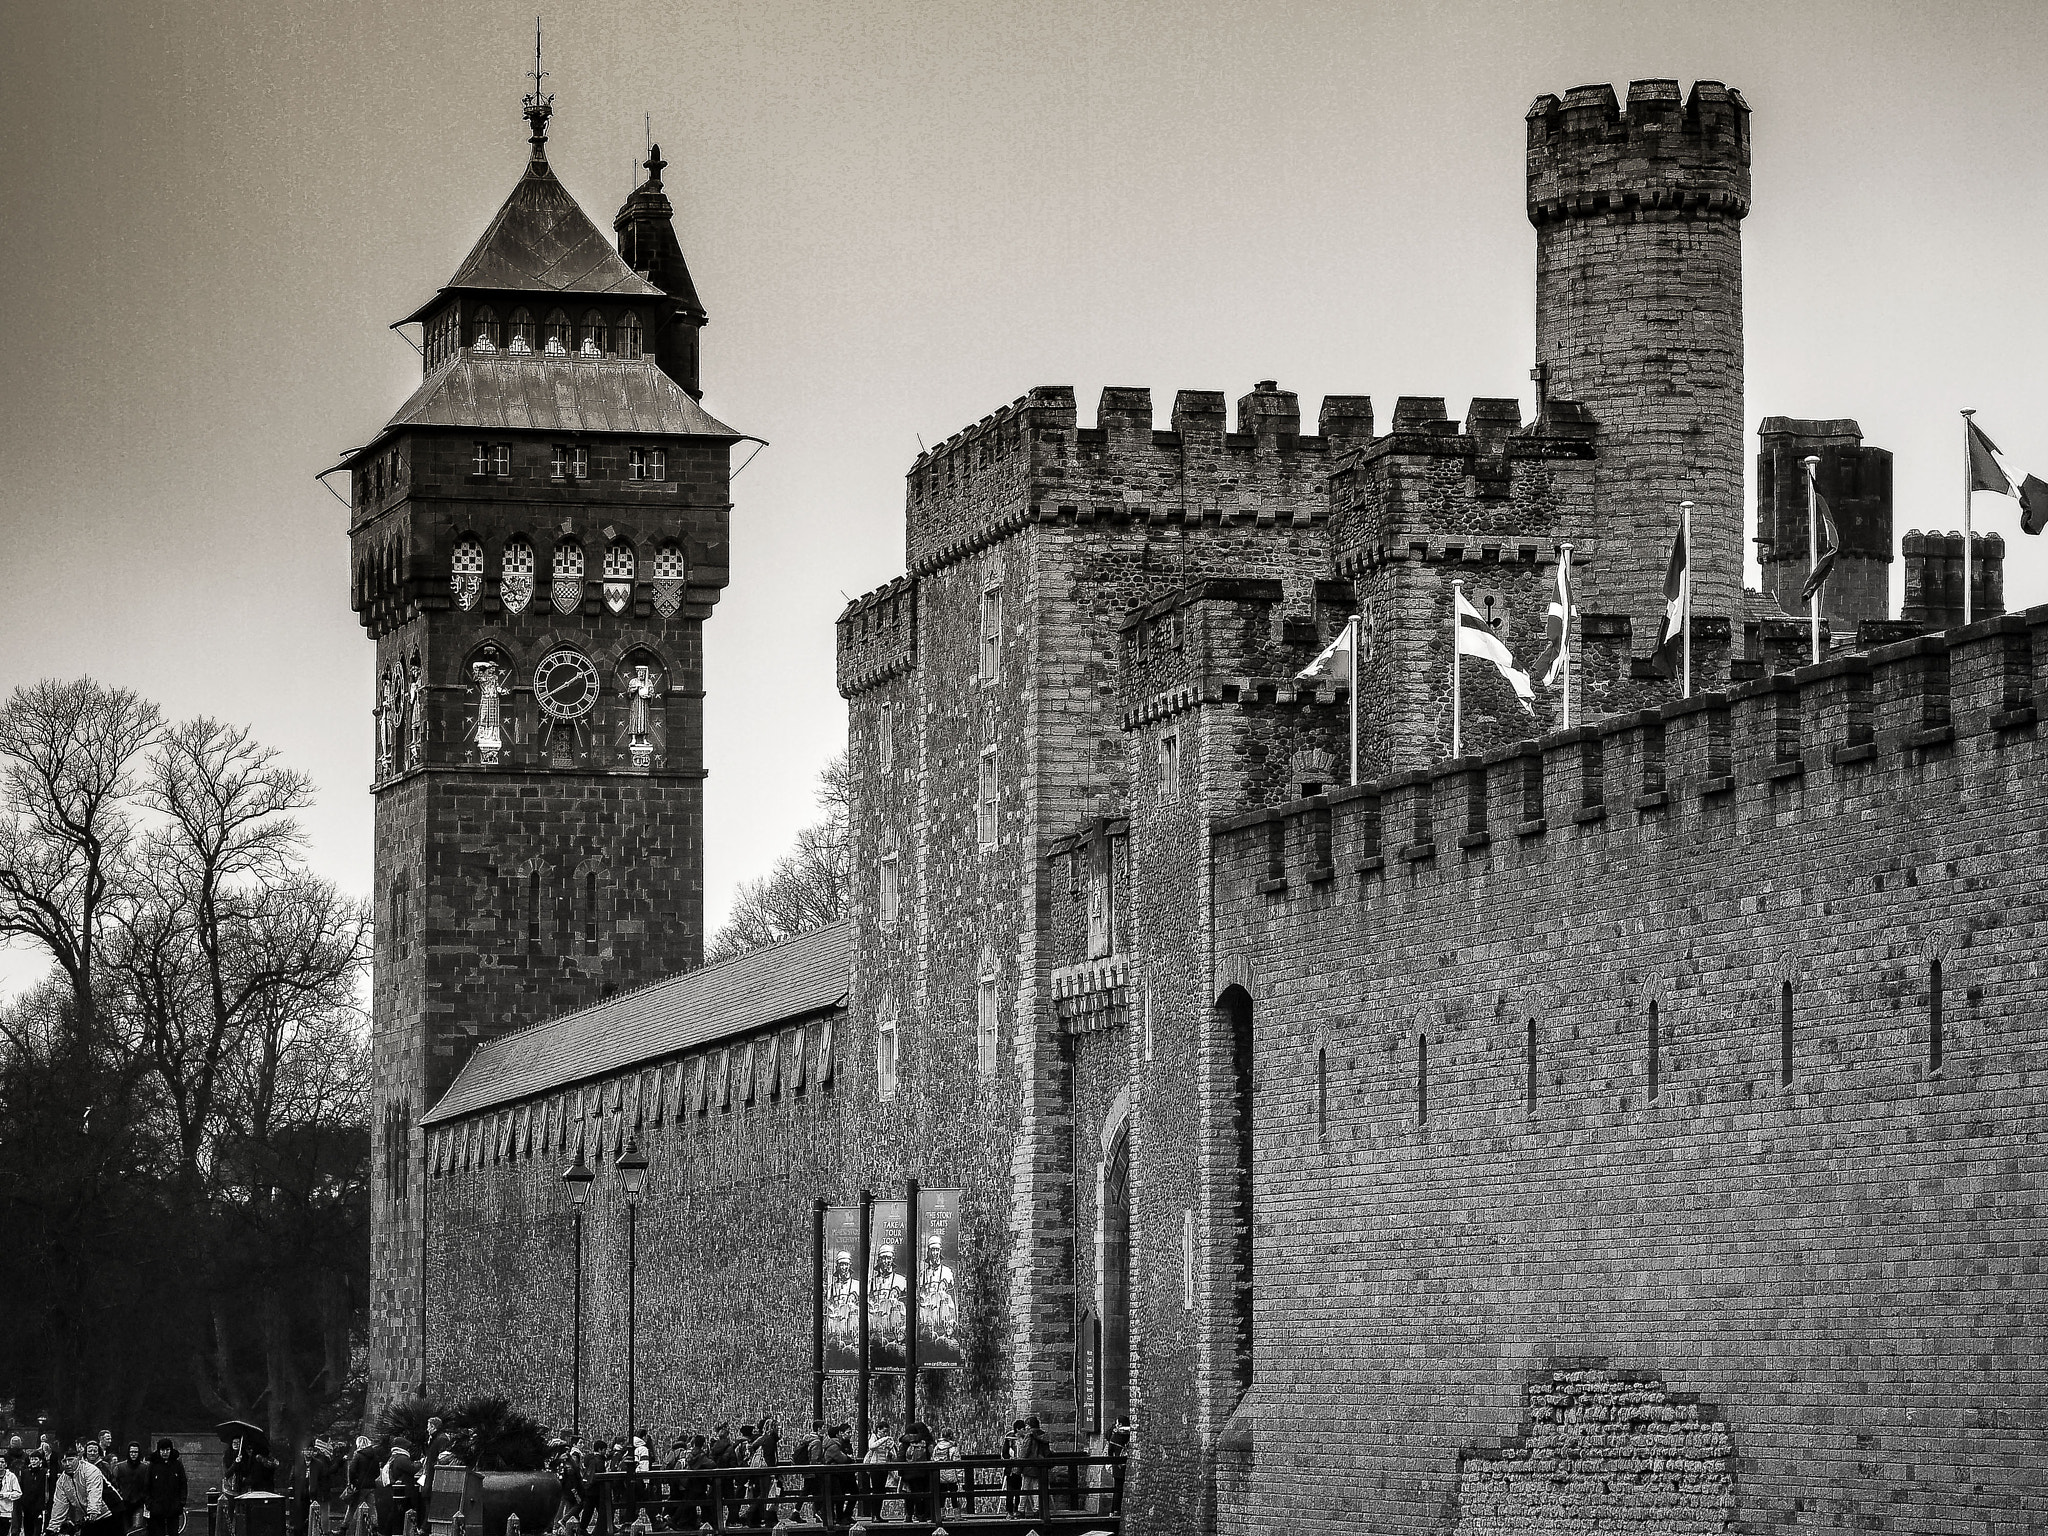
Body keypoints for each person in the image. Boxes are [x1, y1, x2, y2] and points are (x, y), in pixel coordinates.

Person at [48, 1445, 114, 1536]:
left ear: (78, 1459)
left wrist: (93, 1510)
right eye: (64, 1461)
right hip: (87, 1517)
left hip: (109, 1510)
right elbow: (59, 1504)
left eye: (70, 1460)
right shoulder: (62, 1481)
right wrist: (52, 1528)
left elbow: (94, 1491)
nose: (67, 1464)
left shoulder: (90, 1470)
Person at [141, 1443, 185, 1536]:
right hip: (157, 1509)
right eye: (162, 1450)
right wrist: (150, 1504)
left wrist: (181, 1502)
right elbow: (147, 1486)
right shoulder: (153, 1466)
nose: (165, 1453)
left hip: (173, 1507)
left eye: (167, 1450)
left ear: (171, 1450)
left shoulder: (177, 1465)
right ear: (159, 1451)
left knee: (173, 1532)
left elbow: (183, 1484)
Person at [858, 1420, 895, 1523]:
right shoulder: (874, 1437)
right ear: (878, 1430)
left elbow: (894, 1455)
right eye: (884, 1431)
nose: (886, 1433)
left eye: (887, 1431)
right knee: (876, 1490)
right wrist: (884, 1439)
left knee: (881, 1491)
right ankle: (874, 1515)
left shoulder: (887, 1440)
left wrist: (890, 1449)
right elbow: (872, 1446)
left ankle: (878, 1514)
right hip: (875, 1467)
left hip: (884, 1466)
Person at [110, 1450, 144, 1536]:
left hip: (139, 1503)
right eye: (131, 1452)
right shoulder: (119, 1467)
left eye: (135, 1452)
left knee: (136, 1530)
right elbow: (113, 1483)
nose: (133, 1454)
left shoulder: (144, 1467)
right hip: (124, 1504)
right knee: (125, 1530)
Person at [932, 1426, 959, 1516]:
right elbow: (957, 1462)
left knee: (941, 1494)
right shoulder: (953, 1447)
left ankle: (941, 1514)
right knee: (954, 1493)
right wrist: (960, 1476)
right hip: (951, 1473)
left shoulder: (937, 1447)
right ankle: (957, 1514)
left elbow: (933, 1459)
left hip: (940, 1473)